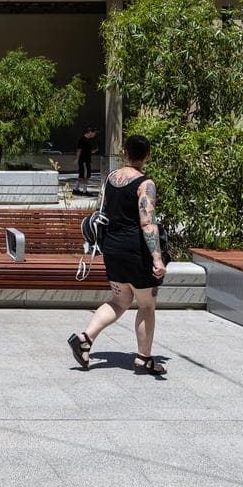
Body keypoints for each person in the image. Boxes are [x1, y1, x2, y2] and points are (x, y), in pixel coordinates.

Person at [68, 134, 168, 376]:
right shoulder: (146, 184)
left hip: (111, 248)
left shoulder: (111, 178)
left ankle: (85, 339)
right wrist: (157, 258)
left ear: (125, 152)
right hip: (136, 251)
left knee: (120, 301)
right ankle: (143, 360)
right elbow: (147, 222)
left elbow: (101, 209)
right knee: (146, 306)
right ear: (148, 155)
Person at [75, 126, 98, 196]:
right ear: (90, 132)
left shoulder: (88, 140)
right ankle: (84, 191)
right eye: (94, 133)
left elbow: (86, 151)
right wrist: (77, 158)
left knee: (81, 175)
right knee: (85, 176)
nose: (94, 135)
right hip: (84, 161)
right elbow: (79, 149)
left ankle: (76, 189)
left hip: (87, 160)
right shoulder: (82, 139)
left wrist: (93, 151)